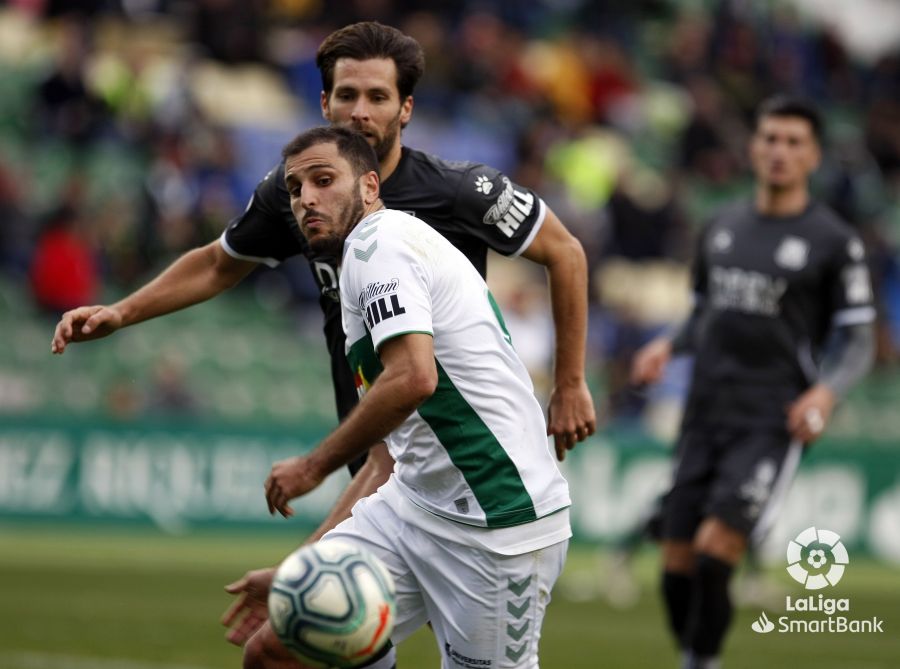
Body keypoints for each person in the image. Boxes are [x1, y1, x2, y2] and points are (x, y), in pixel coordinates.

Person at [50, 20, 594, 659]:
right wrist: (123, 310)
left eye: (377, 97)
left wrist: (569, 382)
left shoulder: (444, 196)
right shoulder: (307, 190)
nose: (360, 112)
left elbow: (564, 252)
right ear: (324, 103)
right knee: (283, 648)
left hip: (470, 476)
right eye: (346, 96)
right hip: (400, 462)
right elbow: (221, 261)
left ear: (406, 109)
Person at [251, 125, 572, 669]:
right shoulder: (366, 254)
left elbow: (412, 379)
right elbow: (390, 446)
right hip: (414, 505)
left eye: (324, 180)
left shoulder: (380, 244)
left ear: (370, 186)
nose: (306, 197)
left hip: (498, 524)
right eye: (295, 188)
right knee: (282, 649)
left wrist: (313, 466)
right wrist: (306, 558)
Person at [630, 95, 876, 669]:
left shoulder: (835, 240)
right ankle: (697, 655)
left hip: (771, 417)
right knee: (675, 567)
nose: (779, 151)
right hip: (704, 411)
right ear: (753, 147)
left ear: (813, 155)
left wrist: (826, 392)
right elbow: (703, 314)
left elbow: (860, 337)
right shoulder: (721, 226)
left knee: (718, 550)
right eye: (770, 138)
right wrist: (668, 343)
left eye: (794, 142)